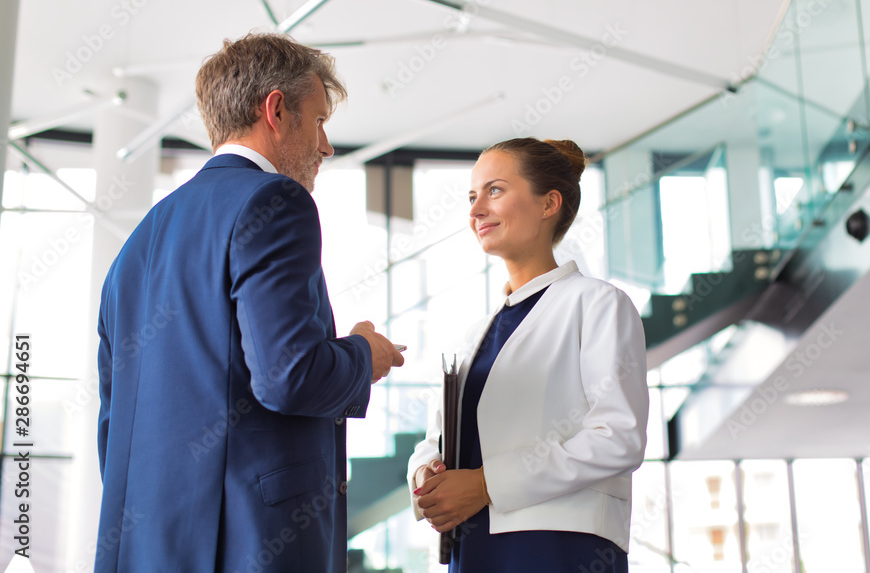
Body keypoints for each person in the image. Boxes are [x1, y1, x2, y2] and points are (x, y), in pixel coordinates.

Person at [95, 32, 404, 572]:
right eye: (319, 120)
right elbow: (288, 374)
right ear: (276, 111)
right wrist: (363, 353)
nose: (326, 146)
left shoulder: (138, 241)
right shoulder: (275, 201)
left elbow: (112, 415)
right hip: (249, 544)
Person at [407, 137, 649, 571]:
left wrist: (486, 483)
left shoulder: (596, 304)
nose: (476, 209)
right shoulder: (475, 334)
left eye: (494, 190)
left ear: (548, 203)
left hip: (558, 546)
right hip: (474, 542)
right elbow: (435, 440)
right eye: (471, 196)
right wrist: (426, 473)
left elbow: (618, 436)